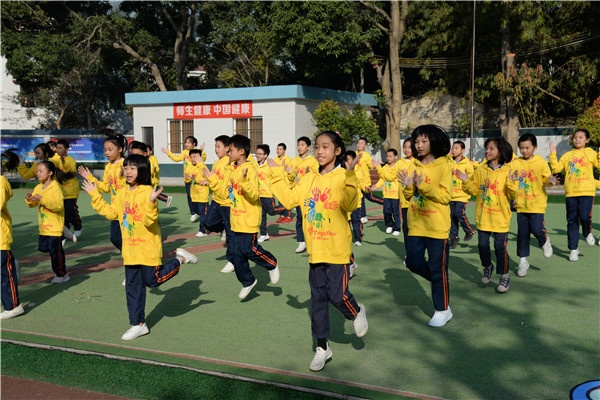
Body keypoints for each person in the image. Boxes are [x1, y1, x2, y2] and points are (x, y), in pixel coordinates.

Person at [269, 131, 368, 372]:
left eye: (326, 147)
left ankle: (356, 311)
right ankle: (322, 348)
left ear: (337, 151)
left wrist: (351, 175)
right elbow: (290, 199)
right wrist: (276, 175)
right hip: (316, 250)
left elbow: (349, 204)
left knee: (338, 295)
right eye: (317, 147)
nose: (320, 151)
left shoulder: (344, 176)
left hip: (337, 249)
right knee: (318, 301)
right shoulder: (308, 179)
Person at [82, 154, 198, 341]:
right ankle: (138, 324)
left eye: (132, 168)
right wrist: (95, 194)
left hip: (148, 248)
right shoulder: (121, 193)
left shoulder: (148, 192)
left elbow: (149, 221)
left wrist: (151, 203)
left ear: (142, 170)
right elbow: (112, 213)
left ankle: (180, 259)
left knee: (153, 280)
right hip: (130, 250)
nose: (128, 171)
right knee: (133, 288)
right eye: (126, 168)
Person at [205, 135, 280, 300]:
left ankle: (271, 263)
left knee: (248, 249)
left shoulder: (250, 169)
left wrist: (244, 182)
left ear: (241, 151)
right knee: (235, 253)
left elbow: (254, 196)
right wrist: (211, 178)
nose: (228, 153)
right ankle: (248, 281)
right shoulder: (230, 169)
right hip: (235, 219)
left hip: (249, 218)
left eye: (230, 150)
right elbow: (224, 193)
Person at [398, 125, 453, 327]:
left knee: (438, 269)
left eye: (423, 141)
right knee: (413, 262)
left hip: (437, 227)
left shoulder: (444, 165)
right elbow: (408, 196)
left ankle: (442, 309)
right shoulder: (414, 165)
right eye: (416, 141)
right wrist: (408, 186)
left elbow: (445, 196)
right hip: (416, 224)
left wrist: (422, 185)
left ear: (434, 142)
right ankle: (441, 283)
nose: (419, 145)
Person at [457, 136, 516, 293]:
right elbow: (473, 190)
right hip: (483, 217)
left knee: (499, 247)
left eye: (491, 148)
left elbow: (513, 194)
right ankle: (488, 266)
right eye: (486, 148)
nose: (487, 151)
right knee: (482, 245)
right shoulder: (481, 170)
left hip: (500, 218)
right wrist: (465, 180)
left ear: (500, 151)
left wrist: (511, 182)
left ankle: (504, 275)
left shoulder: (508, 171)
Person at [507, 133, 556, 276]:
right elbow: (511, 182)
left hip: (537, 204)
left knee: (537, 229)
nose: (524, 151)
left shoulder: (541, 162)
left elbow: (547, 178)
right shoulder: (515, 163)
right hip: (521, 205)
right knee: (522, 234)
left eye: (527, 148)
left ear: (535, 147)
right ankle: (523, 261)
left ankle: (544, 240)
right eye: (521, 148)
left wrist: (550, 180)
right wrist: (511, 183)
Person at [549, 129, 600, 261]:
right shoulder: (567, 155)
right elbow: (556, 168)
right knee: (572, 220)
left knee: (584, 217)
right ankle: (573, 249)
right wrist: (553, 154)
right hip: (571, 193)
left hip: (586, 191)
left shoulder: (590, 153)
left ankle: (587, 233)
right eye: (575, 137)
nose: (577, 139)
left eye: (581, 137)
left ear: (587, 140)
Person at [79, 134, 127, 251]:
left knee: (127, 238)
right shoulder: (108, 167)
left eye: (110, 149)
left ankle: (134, 257)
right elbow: (106, 187)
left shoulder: (126, 164)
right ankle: (131, 256)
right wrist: (90, 178)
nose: (107, 153)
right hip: (115, 209)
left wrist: (123, 176)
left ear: (120, 149)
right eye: (105, 150)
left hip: (127, 208)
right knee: (115, 238)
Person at [25, 161, 70, 283]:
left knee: (55, 253)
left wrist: (41, 199)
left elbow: (58, 206)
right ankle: (64, 234)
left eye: (41, 171)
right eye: (37, 171)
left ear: (50, 173)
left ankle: (62, 274)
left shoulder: (55, 187)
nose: (38, 173)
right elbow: (32, 204)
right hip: (44, 227)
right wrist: (29, 199)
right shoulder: (38, 187)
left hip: (54, 227)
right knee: (43, 248)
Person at [201, 135, 236, 273]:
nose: (216, 149)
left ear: (227, 148)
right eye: (215, 146)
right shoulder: (216, 163)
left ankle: (232, 261)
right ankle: (223, 228)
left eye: (218, 146)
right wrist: (207, 181)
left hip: (227, 202)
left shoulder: (230, 162)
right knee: (207, 223)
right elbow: (214, 178)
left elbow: (226, 183)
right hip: (216, 200)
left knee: (230, 233)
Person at [287, 136, 319, 253]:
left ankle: (312, 240)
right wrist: (290, 173)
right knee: (300, 217)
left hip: (309, 194)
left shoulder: (313, 161)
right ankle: (301, 241)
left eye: (302, 145)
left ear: (308, 147)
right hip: (298, 193)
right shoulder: (294, 161)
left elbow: (318, 176)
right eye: (298, 145)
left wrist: (309, 174)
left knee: (310, 217)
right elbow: (290, 178)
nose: (299, 147)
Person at [1, 163, 24, 319]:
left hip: (1, 236)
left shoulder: (1, 182)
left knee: (3, 273)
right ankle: (13, 265)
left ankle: (13, 306)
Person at [162, 136, 202, 221]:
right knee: (189, 196)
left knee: (197, 196)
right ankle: (193, 212)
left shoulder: (197, 152)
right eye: (186, 142)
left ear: (194, 144)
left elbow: (203, 159)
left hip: (195, 179)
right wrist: (168, 152)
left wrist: (202, 152)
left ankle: (201, 211)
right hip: (187, 179)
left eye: (189, 143)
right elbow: (176, 159)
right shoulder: (184, 152)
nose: (186, 144)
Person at [255, 144, 287, 242]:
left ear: (265, 155)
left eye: (260, 154)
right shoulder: (254, 165)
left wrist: (278, 166)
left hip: (267, 194)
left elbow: (279, 174)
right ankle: (264, 234)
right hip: (258, 195)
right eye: (257, 153)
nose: (258, 155)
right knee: (261, 216)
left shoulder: (269, 165)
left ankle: (286, 207)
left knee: (272, 211)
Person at [448, 140, 476, 249]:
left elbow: (471, 178)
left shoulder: (467, 164)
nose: (454, 150)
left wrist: (466, 179)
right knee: (452, 216)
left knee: (459, 213)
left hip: (462, 195)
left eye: (456, 148)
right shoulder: (449, 162)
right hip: (451, 195)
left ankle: (469, 230)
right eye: (453, 148)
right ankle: (453, 237)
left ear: (462, 150)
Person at [55, 140, 83, 239]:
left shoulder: (70, 159)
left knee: (71, 209)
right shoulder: (56, 160)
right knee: (63, 212)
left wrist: (61, 173)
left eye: (60, 148)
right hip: (60, 191)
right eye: (57, 148)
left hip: (70, 190)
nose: (58, 150)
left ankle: (78, 227)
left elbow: (72, 173)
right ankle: (65, 232)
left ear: (66, 149)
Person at [129, 141, 172, 206]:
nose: (135, 156)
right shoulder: (135, 163)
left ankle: (166, 198)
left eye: (148, 151)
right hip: (146, 184)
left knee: (152, 194)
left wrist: (154, 170)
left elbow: (156, 169)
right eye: (133, 154)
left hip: (153, 182)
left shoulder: (152, 159)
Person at [372, 148, 401, 236]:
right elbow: (382, 179)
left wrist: (379, 168)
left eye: (390, 156)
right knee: (386, 211)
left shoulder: (397, 167)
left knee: (396, 212)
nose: (388, 158)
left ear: (395, 157)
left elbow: (390, 177)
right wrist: (376, 186)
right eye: (387, 156)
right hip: (386, 194)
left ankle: (397, 228)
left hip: (395, 195)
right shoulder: (384, 168)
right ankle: (390, 225)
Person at [356, 137, 384, 223]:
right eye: (358, 143)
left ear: (365, 146)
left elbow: (371, 164)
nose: (359, 144)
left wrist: (376, 165)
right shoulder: (354, 154)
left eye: (362, 143)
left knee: (371, 197)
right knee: (360, 199)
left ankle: (385, 202)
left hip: (365, 182)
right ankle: (363, 216)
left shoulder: (366, 155)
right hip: (357, 182)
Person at [186, 149, 209, 238]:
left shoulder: (203, 166)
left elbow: (208, 177)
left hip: (202, 194)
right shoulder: (190, 167)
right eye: (191, 157)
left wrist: (197, 179)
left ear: (199, 157)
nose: (192, 159)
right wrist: (188, 178)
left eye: (195, 157)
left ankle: (203, 230)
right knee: (197, 211)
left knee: (202, 213)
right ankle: (212, 214)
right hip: (194, 195)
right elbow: (187, 178)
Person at [345, 151, 365, 248]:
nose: (346, 162)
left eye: (348, 159)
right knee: (346, 222)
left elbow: (362, 183)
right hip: (346, 203)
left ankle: (358, 239)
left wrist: (366, 188)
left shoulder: (358, 171)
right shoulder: (343, 171)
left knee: (356, 220)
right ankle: (346, 239)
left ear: (354, 160)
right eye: (345, 160)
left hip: (356, 202)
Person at [273, 142, 293, 223]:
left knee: (286, 200)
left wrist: (280, 167)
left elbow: (288, 170)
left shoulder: (287, 159)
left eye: (280, 149)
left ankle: (288, 216)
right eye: (277, 149)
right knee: (280, 200)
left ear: (284, 150)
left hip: (286, 182)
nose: (278, 151)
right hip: (278, 182)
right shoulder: (275, 159)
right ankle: (282, 215)